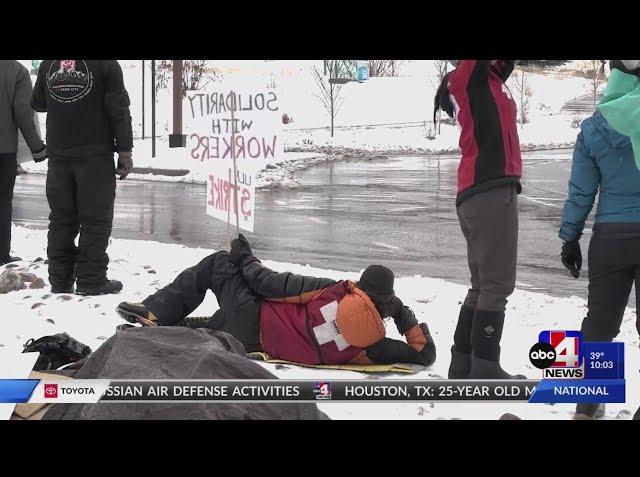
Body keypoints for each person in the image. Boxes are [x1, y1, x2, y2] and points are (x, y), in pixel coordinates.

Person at [116, 235, 437, 367]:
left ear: (361, 286)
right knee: (216, 323)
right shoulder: (375, 347)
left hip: (253, 316)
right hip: (258, 343)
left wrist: (244, 256)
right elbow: (424, 354)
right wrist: (404, 315)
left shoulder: (333, 290)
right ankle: (180, 325)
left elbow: (266, 283)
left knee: (218, 264)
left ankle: (156, 313)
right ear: (386, 303)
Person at [560, 60, 640, 419]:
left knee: (599, 324)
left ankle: (587, 406)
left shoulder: (593, 128)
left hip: (610, 238)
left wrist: (570, 237)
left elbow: (581, 192)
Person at [434, 60, 524, 379]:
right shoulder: (468, 79)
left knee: (483, 285)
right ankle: (485, 365)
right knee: (498, 284)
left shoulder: (490, 80)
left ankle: (463, 362)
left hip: (481, 189)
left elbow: (505, 64)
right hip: (490, 188)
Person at [31, 60, 133, 295]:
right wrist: (125, 151)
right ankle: (91, 280)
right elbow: (119, 109)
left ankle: (60, 279)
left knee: (61, 219)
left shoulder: (49, 64)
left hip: (59, 153)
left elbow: (38, 102)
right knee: (95, 220)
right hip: (95, 154)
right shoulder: (106, 64)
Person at [0, 60, 47, 265]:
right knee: (2, 203)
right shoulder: (16, 71)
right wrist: (37, 147)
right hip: (3, 151)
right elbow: (22, 112)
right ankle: (1, 254)